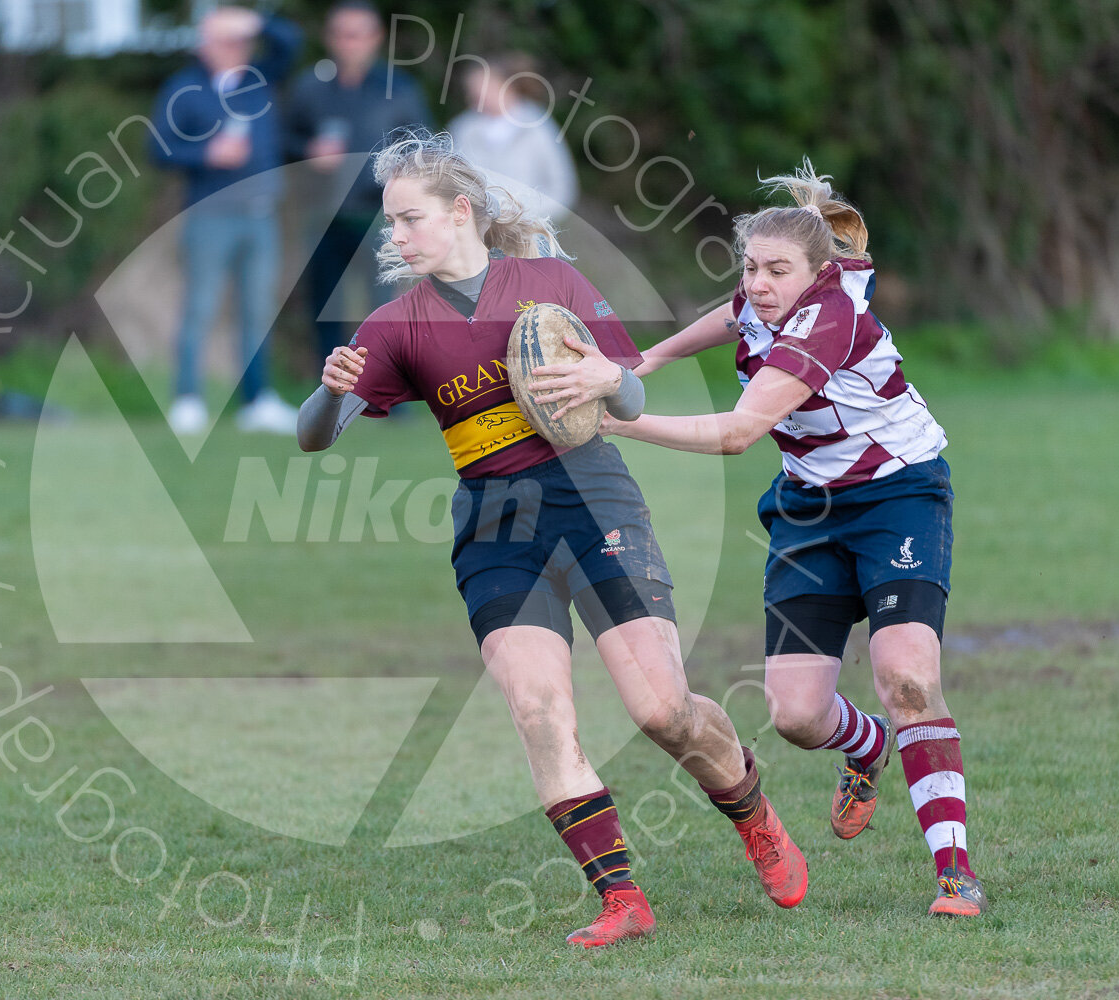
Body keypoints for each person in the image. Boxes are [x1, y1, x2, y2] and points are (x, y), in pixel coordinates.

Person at [297, 131, 807, 947]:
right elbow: (312, 438)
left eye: (407, 219)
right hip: (494, 523)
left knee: (663, 711)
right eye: (391, 223)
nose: (394, 236)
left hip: (592, 496)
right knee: (538, 708)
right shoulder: (395, 326)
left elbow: (630, 403)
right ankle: (621, 901)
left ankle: (752, 811)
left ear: (459, 211)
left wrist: (614, 378)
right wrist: (328, 394)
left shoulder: (550, 283)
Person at [594, 160, 986, 917]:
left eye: (778, 270)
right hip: (808, 510)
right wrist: (649, 360)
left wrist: (617, 419)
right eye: (751, 267)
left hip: (899, 496)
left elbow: (740, 431)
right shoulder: (762, 300)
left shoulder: (829, 318)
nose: (761, 282)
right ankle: (868, 748)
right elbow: (733, 312)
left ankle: (955, 871)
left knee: (906, 675)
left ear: (818, 275)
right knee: (797, 718)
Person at [151, 7, 303, 436]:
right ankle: (187, 399)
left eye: (238, 40)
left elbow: (291, 41)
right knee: (200, 307)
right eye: (223, 40)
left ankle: (257, 401)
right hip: (209, 215)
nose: (233, 48)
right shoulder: (184, 88)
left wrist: (252, 21)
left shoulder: (261, 78)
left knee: (257, 310)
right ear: (203, 45)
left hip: (261, 216)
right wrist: (206, 155)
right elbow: (157, 148)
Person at [285, 0, 429, 365]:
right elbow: (281, 141)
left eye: (359, 35)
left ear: (376, 38)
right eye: (343, 34)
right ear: (330, 38)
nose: (351, 43)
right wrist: (308, 150)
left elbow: (423, 150)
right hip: (322, 216)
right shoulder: (310, 87)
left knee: (383, 308)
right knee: (324, 307)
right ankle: (329, 395)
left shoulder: (400, 89)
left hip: (379, 219)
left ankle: (387, 395)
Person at [448, 54, 578, 221]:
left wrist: (525, 215)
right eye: (473, 90)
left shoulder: (538, 127)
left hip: (528, 231)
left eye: (486, 87)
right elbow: (451, 181)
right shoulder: (462, 129)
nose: (478, 95)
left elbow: (562, 187)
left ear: (508, 86)